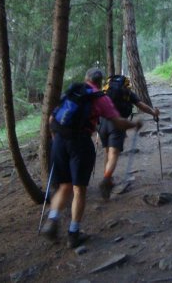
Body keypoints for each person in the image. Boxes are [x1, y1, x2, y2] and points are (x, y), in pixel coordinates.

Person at [40, 67, 142, 248]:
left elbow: (51, 119)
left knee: (64, 186)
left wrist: (57, 140)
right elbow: (118, 122)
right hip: (80, 143)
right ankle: (73, 234)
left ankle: (53, 219)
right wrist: (134, 124)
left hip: (59, 141)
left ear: (86, 79)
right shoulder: (100, 98)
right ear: (100, 82)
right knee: (79, 190)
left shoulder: (72, 91)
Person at [98, 76, 159, 200]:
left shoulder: (105, 91)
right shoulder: (128, 93)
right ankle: (106, 179)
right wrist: (153, 113)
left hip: (102, 123)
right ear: (125, 85)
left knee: (107, 152)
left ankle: (108, 178)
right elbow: (141, 105)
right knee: (114, 154)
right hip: (118, 122)